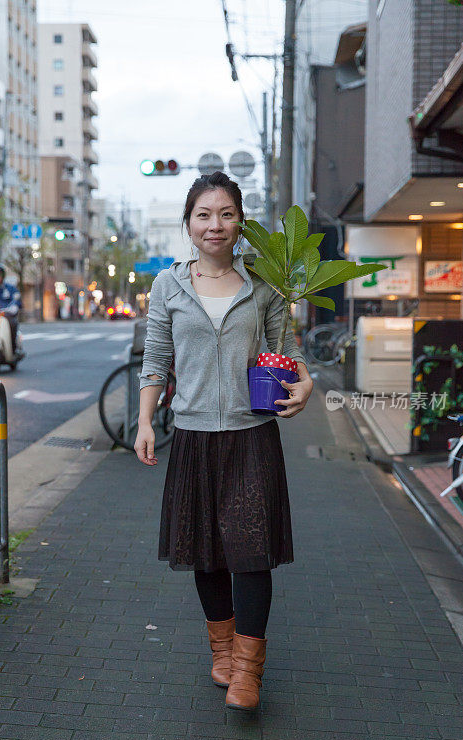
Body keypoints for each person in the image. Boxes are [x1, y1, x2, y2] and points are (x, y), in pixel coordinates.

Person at [135, 171, 314, 712]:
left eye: (226, 214)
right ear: (188, 225)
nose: (215, 225)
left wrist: (305, 382)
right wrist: (146, 422)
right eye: (203, 215)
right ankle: (223, 654)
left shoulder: (265, 284)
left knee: (250, 553)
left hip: (251, 435)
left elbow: (288, 349)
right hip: (191, 437)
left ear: (242, 222)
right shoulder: (169, 285)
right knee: (206, 554)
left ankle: (248, 672)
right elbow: (155, 361)